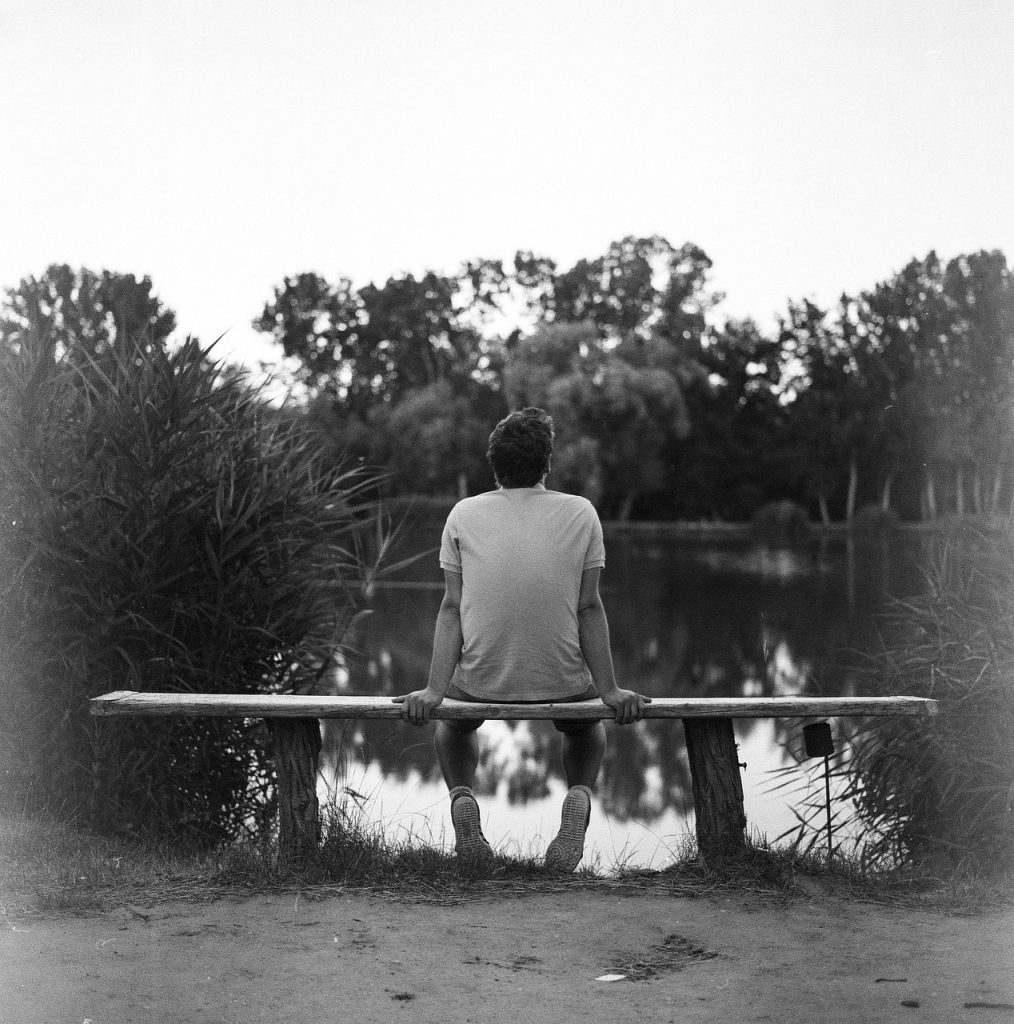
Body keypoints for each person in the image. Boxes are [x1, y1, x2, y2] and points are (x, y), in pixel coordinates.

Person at [395, 407, 650, 872]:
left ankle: (461, 797)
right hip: (564, 682)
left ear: (494, 465)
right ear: (546, 465)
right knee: (586, 727)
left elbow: (452, 607)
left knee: (451, 726)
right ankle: (578, 794)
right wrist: (609, 691)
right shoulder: (581, 512)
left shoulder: (463, 514)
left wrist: (434, 691)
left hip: (480, 683)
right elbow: (589, 606)